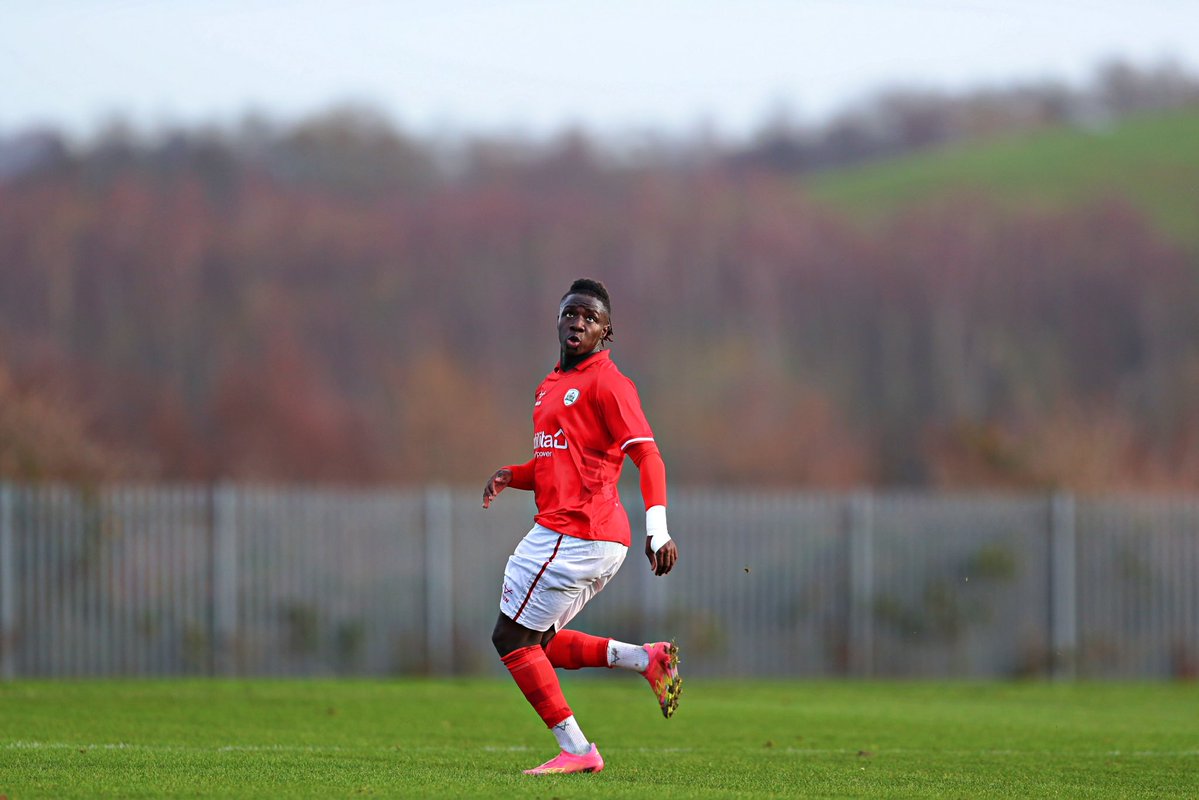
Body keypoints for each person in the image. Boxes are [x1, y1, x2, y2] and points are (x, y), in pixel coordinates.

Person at [482, 277, 681, 776]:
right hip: (584, 535)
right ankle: (648, 659)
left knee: (510, 639)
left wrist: (659, 529)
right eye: (572, 313)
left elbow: (648, 457)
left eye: (590, 318)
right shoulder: (550, 384)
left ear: (605, 332)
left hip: (577, 532)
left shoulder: (609, 383)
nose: (579, 322)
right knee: (540, 643)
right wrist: (514, 475)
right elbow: (557, 464)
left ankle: (578, 750)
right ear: (558, 318)